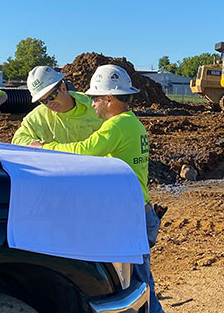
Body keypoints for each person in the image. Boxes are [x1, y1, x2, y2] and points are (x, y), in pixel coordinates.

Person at [28, 65, 164, 313]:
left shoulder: (116, 126)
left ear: (109, 99)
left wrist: (45, 148)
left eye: (95, 99)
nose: (91, 105)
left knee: (141, 287)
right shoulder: (133, 124)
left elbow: (84, 151)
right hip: (138, 210)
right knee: (135, 281)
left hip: (130, 214)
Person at [11, 66, 103, 146]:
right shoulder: (38, 117)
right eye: (43, 101)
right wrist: (34, 144)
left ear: (63, 87)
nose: (49, 103)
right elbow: (18, 139)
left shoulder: (94, 107)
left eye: (52, 97)